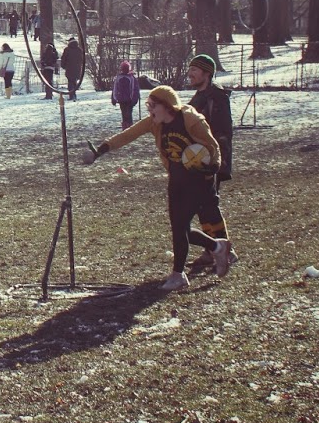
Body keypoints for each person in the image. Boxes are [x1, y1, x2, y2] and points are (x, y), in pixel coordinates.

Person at [86, 85, 234, 290]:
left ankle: (178, 274)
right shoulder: (155, 123)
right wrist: (100, 151)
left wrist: (215, 165)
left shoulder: (192, 119)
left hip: (199, 180)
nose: (150, 110)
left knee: (181, 226)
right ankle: (218, 247)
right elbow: (128, 135)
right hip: (177, 179)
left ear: (167, 105)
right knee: (179, 228)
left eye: (153, 106)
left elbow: (213, 146)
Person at [186, 54, 234, 183]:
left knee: (208, 201)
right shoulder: (198, 97)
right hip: (195, 158)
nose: (189, 74)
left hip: (208, 161)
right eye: (190, 69)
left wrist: (217, 163)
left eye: (194, 70)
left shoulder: (217, 98)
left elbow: (223, 132)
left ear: (207, 73)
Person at [111, 59, 142, 128]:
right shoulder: (120, 78)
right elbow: (115, 89)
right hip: (122, 100)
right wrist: (114, 98)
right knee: (125, 115)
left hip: (128, 100)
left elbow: (136, 90)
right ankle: (126, 128)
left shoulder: (131, 78)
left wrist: (134, 100)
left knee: (128, 115)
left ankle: (128, 128)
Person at [60, 36, 84, 100]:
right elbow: (82, 59)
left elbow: (63, 59)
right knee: (74, 81)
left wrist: (63, 66)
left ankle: (71, 95)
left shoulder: (67, 49)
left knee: (70, 82)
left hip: (69, 68)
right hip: (77, 69)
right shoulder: (79, 50)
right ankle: (74, 94)